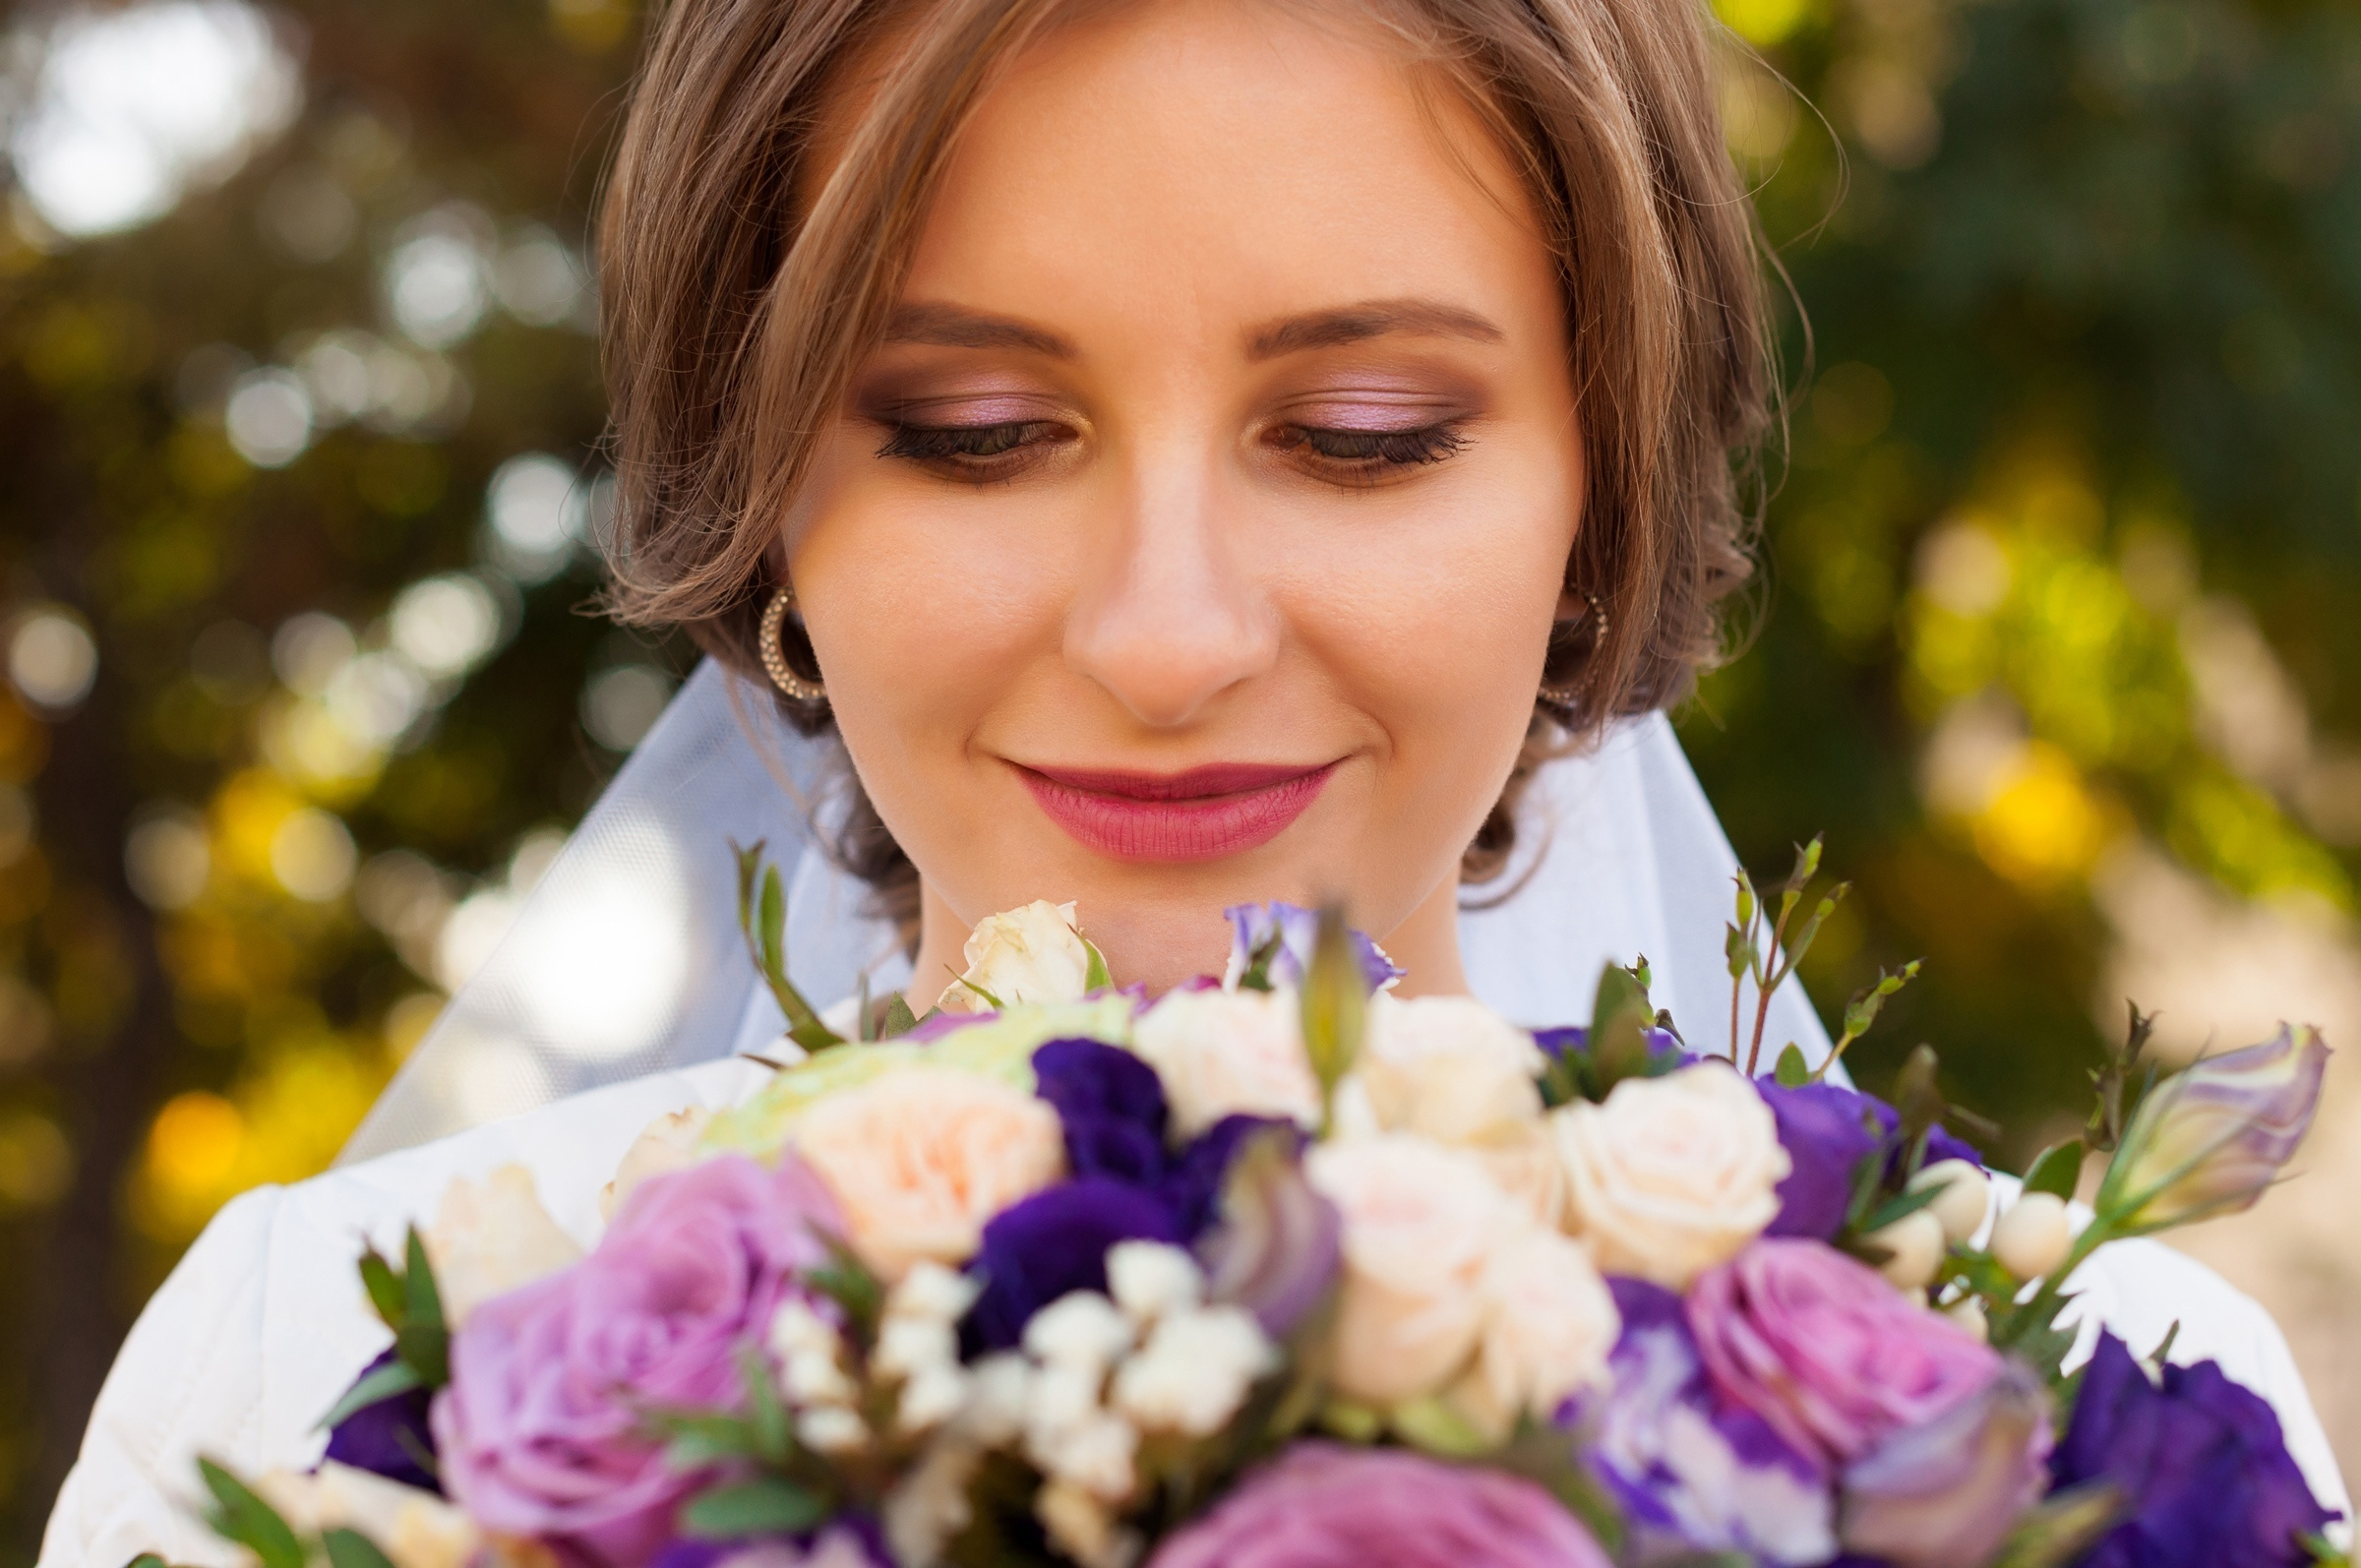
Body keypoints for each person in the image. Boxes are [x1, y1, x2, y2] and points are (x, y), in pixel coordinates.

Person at [41, 0, 2348, 1561]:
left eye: (1361, 439)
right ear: (766, 490)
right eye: (970, 431)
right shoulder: (309, 1359)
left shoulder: (2082, 1409)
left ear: (1597, 492)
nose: (1168, 632)